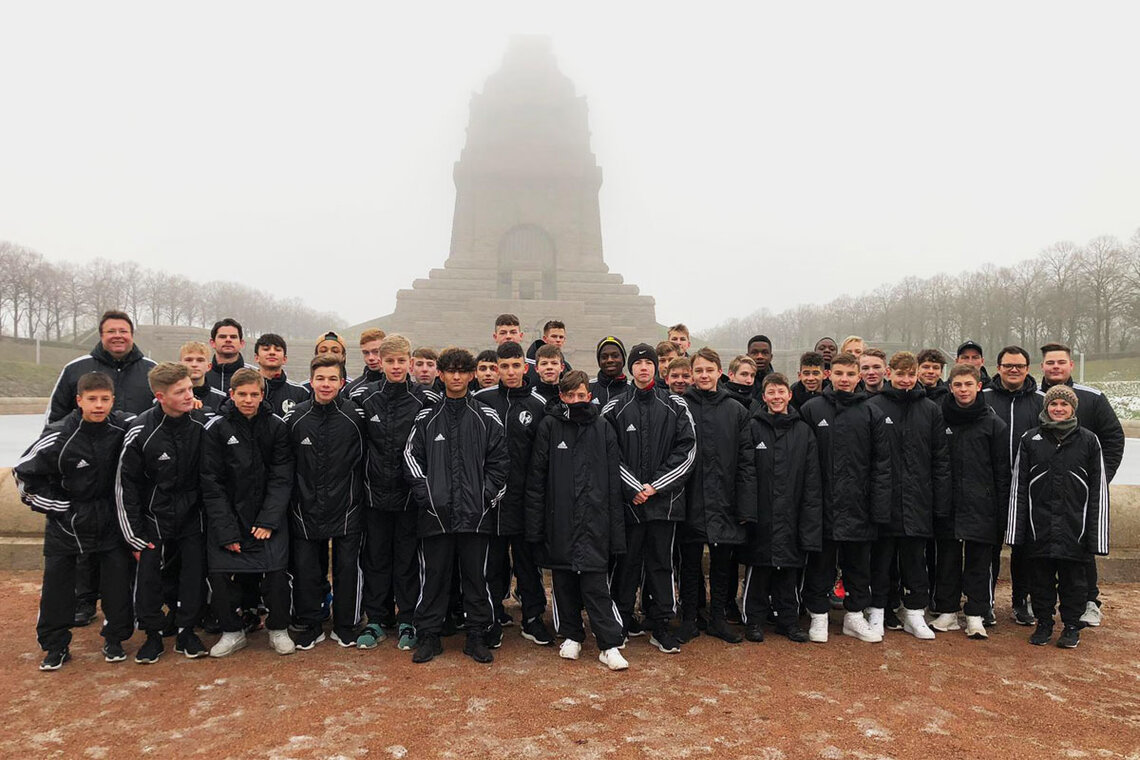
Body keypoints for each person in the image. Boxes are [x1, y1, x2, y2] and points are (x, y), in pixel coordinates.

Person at [15, 372, 135, 670]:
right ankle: (55, 645)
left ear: (112, 401)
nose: (98, 406)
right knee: (57, 587)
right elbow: (23, 474)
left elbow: (154, 420)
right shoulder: (59, 434)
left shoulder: (123, 427)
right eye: (92, 400)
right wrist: (59, 507)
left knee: (117, 584)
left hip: (110, 519)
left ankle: (115, 638)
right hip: (66, 523)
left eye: (104, 400)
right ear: (79, 400)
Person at [403, 347, 509, 664]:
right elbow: (410, 458)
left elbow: (501, 464)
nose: (457, 376)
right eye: (451, 371)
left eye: (464, 371)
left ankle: (476, 635)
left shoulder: (486, 416)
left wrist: (484, 498)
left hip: (475, 517)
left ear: (472, 374)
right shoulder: (427, 416)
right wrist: (428, 496)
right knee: (434, 577)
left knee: (477, 578)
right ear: (441, 374)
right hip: (436, 516)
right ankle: (430, 636)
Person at [525, 370, 629, 670]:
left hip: (595, 522)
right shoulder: (549, 426)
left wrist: (614, 531)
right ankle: (571, 635)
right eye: (570, 396)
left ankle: (608, 643)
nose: (575, 400)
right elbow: (537, 480)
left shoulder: (603, 427)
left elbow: (613, 481)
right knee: (564, 583)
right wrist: (536, 528)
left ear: (589, 395)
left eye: (581, 395)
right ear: (562, 397)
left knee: (596, 587)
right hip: (559, 522)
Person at [604, 343, 696, 653]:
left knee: (661, 565)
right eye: (638, 363)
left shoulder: (676, 405)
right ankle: (621, 621)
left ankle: (660, 625)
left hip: (664, 503)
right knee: (626, 564)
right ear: (630, 369)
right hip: (629, 505)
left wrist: (655, 487)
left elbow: (687, 450)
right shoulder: (614, 408)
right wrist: (634, 488)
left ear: (658, 368)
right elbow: (607, 453)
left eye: (649, 363)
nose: (644, 368)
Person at [115, 362, 210, 664]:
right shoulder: (140, 430)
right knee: (149, 579)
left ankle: (186, 631)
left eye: (190, 389)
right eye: (180, 392)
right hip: (153, 518)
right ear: (160, 396)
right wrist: (134, 535)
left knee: (192, 575)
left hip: (193, 516)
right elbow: (125, 486)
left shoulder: (200, 424)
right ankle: (153, 635)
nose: (188, 396)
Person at [200, 368, 295, 658]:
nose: (249, 399)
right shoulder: (216, 429)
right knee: (219, 576)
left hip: (268, 518)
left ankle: (278, 629)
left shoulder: (277, 427)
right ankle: (232, 631)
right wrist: (226, 530)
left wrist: (268, 519)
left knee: (277, 575)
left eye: (254, 394)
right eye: (242, 394)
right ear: (232, 394)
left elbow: (282, 476)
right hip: (228, 518)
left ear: (262, 395)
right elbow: (211, 482)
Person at [1007, 384, 1109, 649]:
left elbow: (1099, 488)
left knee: (1074, 583)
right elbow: (1019, 486)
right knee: (1040, 581)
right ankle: (1044, 623)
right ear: (1047, 407)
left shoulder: (1088, 440)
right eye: (1054, 405)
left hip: (1075, 528)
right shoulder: (1030, 439)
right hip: (1038, 527)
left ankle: (1072, 627)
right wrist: (1016, 531)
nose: (1058, 409)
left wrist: (1096, 536)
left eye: (1064, 405)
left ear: (1073, 408)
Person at [798, 352, 890, 643]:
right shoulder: (812, 409)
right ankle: (819, 616)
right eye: (839, 374)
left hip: (859, 505)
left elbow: (881, 463)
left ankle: (854, 616)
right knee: (821, 563)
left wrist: (878, 505)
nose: (845, 379)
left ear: (858, 376)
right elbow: (802, 459)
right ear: (830, 375)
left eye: (850, 374)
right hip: (821, 503)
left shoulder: (872, 411)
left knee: (858, 564)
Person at [356, 335, 440, 651]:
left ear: (409, 362)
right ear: (381, 361)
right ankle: (376, 620)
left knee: (407, 561)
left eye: (400, 361)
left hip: (409, 498)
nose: (394, 366)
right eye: (389, 360)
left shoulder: (425, 400)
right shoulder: (366, 398)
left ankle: (407, 620)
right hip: (374, 496)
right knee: (376, 559)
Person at [472, 342, 553, 647]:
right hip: (490, 500)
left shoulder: (538, 404)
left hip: (526, 501)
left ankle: (532, 619)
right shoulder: (480, 400)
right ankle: (491, 618)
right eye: (502, 366)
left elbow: (543, 457)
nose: (508, 372)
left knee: (528, 564)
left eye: (514, 365)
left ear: (525, 367)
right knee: (491, 565)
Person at [1038, 342, 1123, 626]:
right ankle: (1037, 602)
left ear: (1071, 365)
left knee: (1082, 548)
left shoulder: (1092, 398)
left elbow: (1113, 439)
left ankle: (1089, 601)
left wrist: (1097, 480)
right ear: (1043, 366)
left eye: (1061, 362)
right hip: (1042, 492)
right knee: (1040, 548)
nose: (1056, 367)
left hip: (1079, 493)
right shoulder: (1032, 396)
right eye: (1050, 362)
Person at [285, 355, 367, 650]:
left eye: (333, 379)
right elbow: (285, 463)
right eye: (320, 378)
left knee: (347, 567)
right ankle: (311, 624)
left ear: (342, 382)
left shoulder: (355, 417)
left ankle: (346, 624)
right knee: (307, 569)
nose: (326, 384)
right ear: (311, 381)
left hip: (347, 506)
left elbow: (365, 459)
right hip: (304, 507)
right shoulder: (296, 417)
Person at [866, 351, 950, 640]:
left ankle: (914, 612)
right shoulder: (873, 406)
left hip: (918, 500)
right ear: (889, 373)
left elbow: (940, 458)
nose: (905, 380)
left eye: (910, 375)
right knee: (881, 561)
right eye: (900, 374)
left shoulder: (930, 409)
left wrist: (939, 501)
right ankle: (876, 612)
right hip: (883, 500)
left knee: (915, 560)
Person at [677, 348, 756, 645]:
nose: (704, 375)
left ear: (720, 372)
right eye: (699, 370)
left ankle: (719, 618)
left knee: (723, 564)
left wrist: (745, 506)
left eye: (710, 370)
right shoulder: (681, 406)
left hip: (725, 499)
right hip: (691, 499)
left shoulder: (736, 410)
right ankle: (688, 618)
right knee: (690, 563)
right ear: (693, 374)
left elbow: (746, 461)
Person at [742, 373, 822, 644]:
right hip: (761, 514)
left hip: (792, 513)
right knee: (759, 570)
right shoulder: (753, 427)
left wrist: (808, 517)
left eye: (781, 392)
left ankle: (788, 620)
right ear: (764, 397)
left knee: (788, 571)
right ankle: (753, 620)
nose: (777, 397)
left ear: (789, 395)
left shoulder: (804, 431)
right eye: (771, 393)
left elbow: (812, 478)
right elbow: (746, 472)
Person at [932, 363, 1010, 639]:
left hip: (982, 506)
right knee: (947, 561)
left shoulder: (994, 424)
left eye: (968, 384)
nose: (963, 390)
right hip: (947, 504)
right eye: (957, 385)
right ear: (950, 387)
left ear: (979, 386)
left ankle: (976, 614)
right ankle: (947, 612)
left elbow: (1002, 472)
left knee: (979, 562)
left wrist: (1001, 514)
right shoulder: (940, 419)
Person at [982, 345, 1041, 626]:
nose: (1013, 370)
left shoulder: (1041, 401)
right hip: (990, 487)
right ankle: (986, 602)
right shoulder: (983, 398)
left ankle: (1021, 602)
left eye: (1019, 365)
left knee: (1024, 549)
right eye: (1008, 366)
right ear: (999, 368)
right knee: (988, 548)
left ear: (1028, 369)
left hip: (1028, 489)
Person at [47, 309, 158, 424]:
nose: (118, 336)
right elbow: (55, 417)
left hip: (137, 441)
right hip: (87, 441)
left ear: (131, 335)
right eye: (111, 331)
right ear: (101, 335)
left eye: (123, 331)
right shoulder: (74, 369)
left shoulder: (153, 371)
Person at [254, 333, 311, 418]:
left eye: (277, 350)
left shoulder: (301, 393)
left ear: (285, 359)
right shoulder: (245, 390)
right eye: (266, 349)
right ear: (256, 358)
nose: (272, 353)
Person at [204, 318, 251, 393]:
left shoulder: (254, 375)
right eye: (222, 337)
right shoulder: (201, 375)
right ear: (212, 343)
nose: (228, 340)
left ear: (241, 343)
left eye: (233, 337)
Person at [180, 341, 227, 412]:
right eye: (189, 360)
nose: (194, 364)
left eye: (200, 360)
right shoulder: (168, 397)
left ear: (209, 366)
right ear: (180, 365)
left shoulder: (222, 399)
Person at [344, 328, 387, 398]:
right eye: (366, 353)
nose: (371, 358)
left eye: (376, 351)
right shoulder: (351, 390)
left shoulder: (401, 385)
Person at [590, 336, 629, 407]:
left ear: (623, 359)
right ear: (599, 362)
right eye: (604, 357)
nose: (609, 360)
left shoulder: (633, 390)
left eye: (615, 356)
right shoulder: (588, 388)